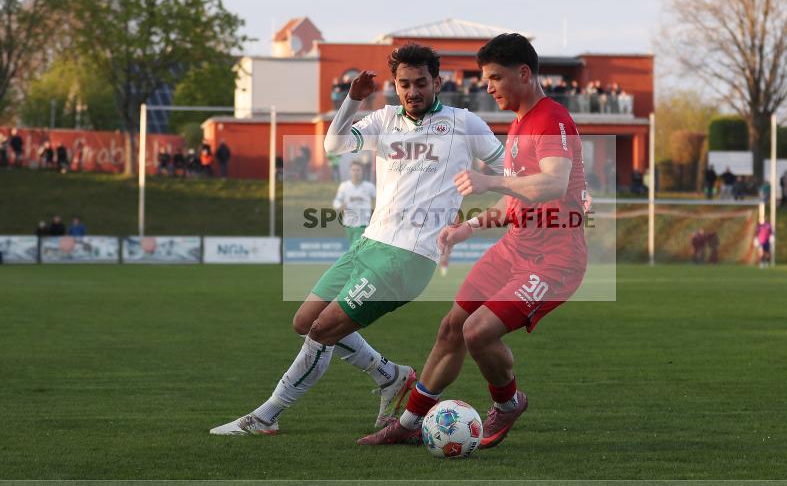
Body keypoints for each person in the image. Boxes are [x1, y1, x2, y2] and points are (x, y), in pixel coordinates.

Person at [210, 42, 506, 436]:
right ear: (395, 86)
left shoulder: (464, 123)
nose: (413, 91)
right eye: (404, 84)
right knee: (305, 321)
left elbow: (511, 170)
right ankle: (391, 376)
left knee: (322, 332)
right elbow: (334, 146)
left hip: (407, 258)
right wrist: (352, 101)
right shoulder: (384, 120)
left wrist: (483, 206)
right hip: (368, 244)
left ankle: (265, 416)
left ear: (437, 82)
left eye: (421, 82)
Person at [359, 33, 587, 448]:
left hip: (554, 260)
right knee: (452, 326)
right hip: (516, 247)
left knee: (478, 331)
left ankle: (508, 401)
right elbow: (517, 194)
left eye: (495, 77)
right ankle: (409, 423)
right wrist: (470, 227)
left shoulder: (551, 118)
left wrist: (486, 179)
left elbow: (554, 183)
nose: (488, 87)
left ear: (523, 73)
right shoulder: (520, 122)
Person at [333, 161, 376, 246]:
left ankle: (347, 259)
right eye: (353, 170)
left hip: (363, 223)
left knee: (355, 246)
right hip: (349, 223)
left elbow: (378, 200)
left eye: (358, 170)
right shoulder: (344, 186)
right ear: (350, 171)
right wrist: (339, 206)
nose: (356, 172)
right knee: (353, 246)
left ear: (362, 171)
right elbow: (336, 201)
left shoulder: (369, 186)